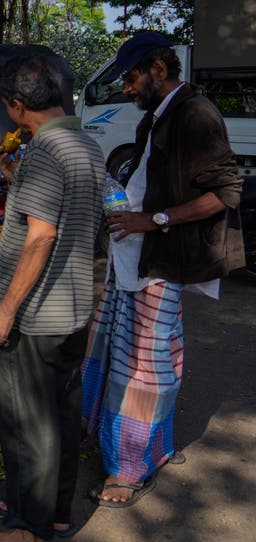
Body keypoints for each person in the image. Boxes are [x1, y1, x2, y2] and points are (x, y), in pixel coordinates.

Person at [82, 32, 243, 508]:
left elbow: (227, 191)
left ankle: (130, 469)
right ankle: (141, 444)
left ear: (157, 68)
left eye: (130, 78)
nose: (126, 89)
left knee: (145, 371)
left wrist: (152, 220)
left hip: (160, 264)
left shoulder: (195, 113)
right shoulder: (157, 115)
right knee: (124, 358)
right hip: (132, 261)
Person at [0, 56, 103, 542]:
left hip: (36, 315)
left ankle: (27, 529)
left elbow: (41, 237)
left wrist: (4, 310)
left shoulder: (46, 149)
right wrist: (13, 179)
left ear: (17, 106)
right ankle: (56, 514)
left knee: (28, 423)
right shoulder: (85, 144)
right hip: (72, 312)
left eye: (8, 108)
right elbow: (61, 214)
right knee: (62, 417)